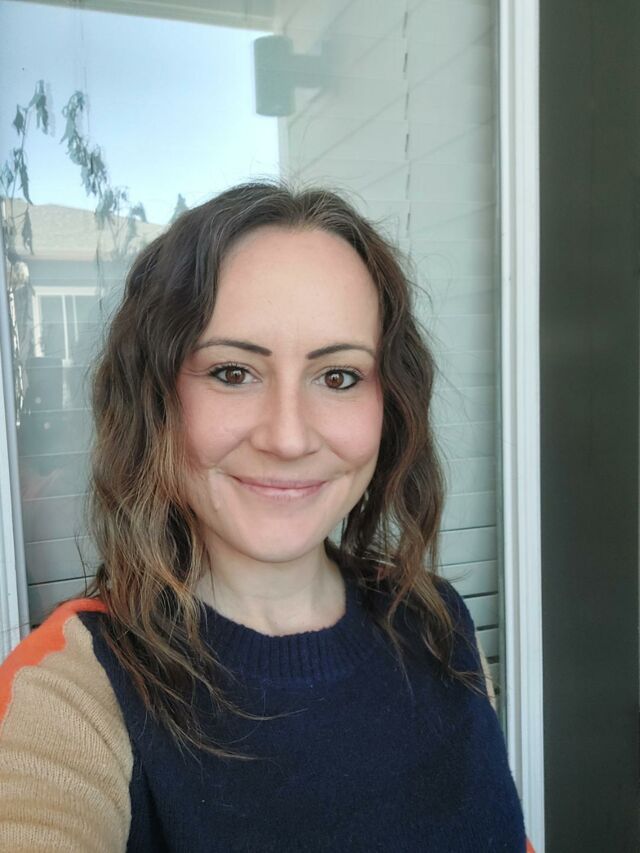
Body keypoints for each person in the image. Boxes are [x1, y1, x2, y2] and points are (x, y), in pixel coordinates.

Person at [0, 182, 533, 852]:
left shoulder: (435, 620)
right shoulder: (75, 686)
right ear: (156, 399)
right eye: (233, 372)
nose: (288, 437)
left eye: (338, 376)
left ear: (389, 403)